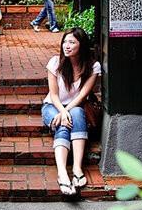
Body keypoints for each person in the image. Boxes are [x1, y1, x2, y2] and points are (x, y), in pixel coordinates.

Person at [41, 27, 101, 196]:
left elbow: (82, 96)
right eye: (65, 42)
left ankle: (76, 168)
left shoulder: (92, 66)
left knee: (76, 113)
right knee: (63, 122)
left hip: (75, 106)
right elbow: (53, 95)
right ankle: (62, 173)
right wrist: (62, 112)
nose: (66, 46)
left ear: (81, 45)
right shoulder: (55, 62)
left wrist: (66, 111)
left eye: (72, 42)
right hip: (52, 106)